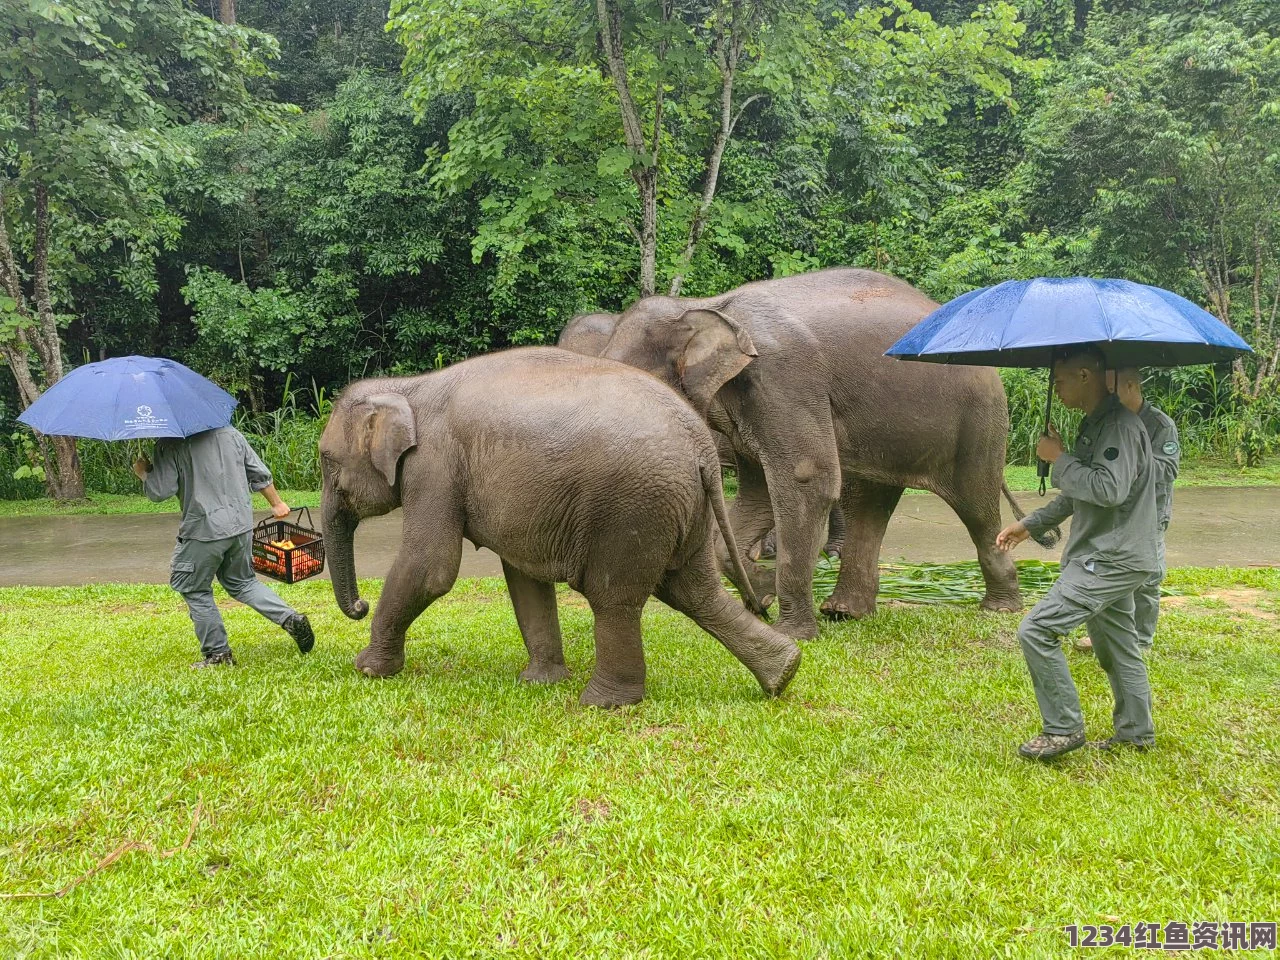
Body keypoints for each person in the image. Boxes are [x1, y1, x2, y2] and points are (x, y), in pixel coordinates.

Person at [995, 346, 1160, 760]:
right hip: (1119, 554)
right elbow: (1080, 490)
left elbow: (1108, 489)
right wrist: (1029, 524)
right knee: (1119, 645)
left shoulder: (1119, 426)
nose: (1057, 388)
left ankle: (1063, 728)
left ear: (1085, 376)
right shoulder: (1098, 424)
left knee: (1037, 630)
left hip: (1109, 559)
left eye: (1060, 379)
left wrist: (1059, 458)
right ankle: (1136, 733)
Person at [133, 425, 316, 668]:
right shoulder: (231, 433)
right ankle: (291, 618)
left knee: (194, 589)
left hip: (203, 531)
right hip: (240, 526)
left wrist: (144, 473)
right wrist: (277, 503)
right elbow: (259, 473)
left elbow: (160, 491)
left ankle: (218, 655)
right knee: (244, 583)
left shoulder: (170, 442)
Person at [1078, 368, 1180, 652]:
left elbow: (1168, 469)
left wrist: (1128, 463)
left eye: (1111, 390)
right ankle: (1104, 635)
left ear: (1131, 386)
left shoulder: (1160, 425)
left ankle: (1141, 641)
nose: (1106, 397)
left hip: (1149, 514)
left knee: (1147, 578)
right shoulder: (1102, 422)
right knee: (1103, 571)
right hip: (1110, 512)